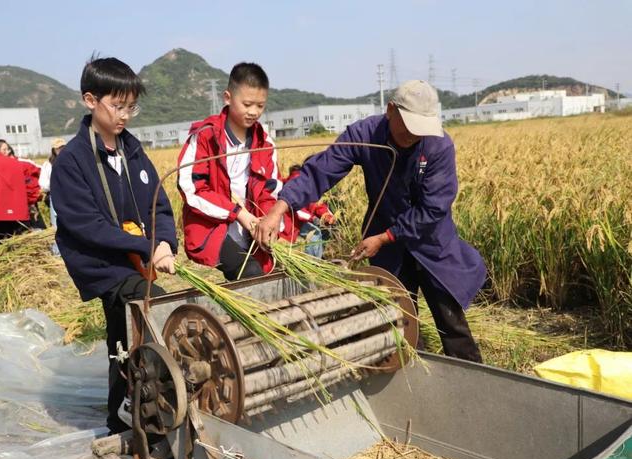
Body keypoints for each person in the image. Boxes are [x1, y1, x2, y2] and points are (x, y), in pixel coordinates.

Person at [255, 80, 486, 363]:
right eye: (410, 125)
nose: (415, 134)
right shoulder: (366, 134)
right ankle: (416, 374)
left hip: (431, 241)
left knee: (450, 320)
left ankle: (472, 379)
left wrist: (385, 236)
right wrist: (279, 209)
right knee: (399, 319)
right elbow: (320, 172)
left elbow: (433, 208)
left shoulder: (438, 146)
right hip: (388, 246)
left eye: (421, 127)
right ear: (391, 110)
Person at [50, 56, 178, 434]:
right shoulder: (72, 160)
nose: (125, 115)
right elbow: (85, 225)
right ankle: (132, 413)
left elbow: (159, 204)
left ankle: (126, 414)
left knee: (123, 337)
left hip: (138, 256)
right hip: (102, 263)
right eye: (117, 106)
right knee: (145, 311)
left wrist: (166, 243)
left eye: (131, 107)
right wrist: (144, 243)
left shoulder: (132, 150)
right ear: (90, 100)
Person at [177, 62, 285, 280]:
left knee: (277, 272)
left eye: (260, 106)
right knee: (250, 274)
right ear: (227, 97)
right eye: (247, 104)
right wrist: (238, 213)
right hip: (212, 226)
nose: (254, 112)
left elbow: (270, 190)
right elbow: (192, 189)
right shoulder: (205, 136)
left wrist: (269, 222)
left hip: (253, 228)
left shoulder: (265, 142)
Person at [285, 162, 335, 258]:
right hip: (292, 220)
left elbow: (316, 204)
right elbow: (296, 208)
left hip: (303, 219)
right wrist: (313, 218)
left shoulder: (308, 183)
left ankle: (318, 255)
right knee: (314, 233)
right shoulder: (295, 183)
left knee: (326, 230)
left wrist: (327, 216)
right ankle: (312, 262)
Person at [0, 139, 46, 230]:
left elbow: (42, 172)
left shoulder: (23, 163)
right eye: (4, 149)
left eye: (7, 149)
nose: (6, 151)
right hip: (12, 206)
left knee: (37, 228)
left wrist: (33, 198)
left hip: (29, 201)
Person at [39, 138, 66, 255]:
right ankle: (57, 252)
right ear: (54, 150)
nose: (61, 150)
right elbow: (43, 184)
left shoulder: (72, 160)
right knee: (56, 225)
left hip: (70, 195)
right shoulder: (48, 165)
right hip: (55, 195)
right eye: (58, 148)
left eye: (63, 147)